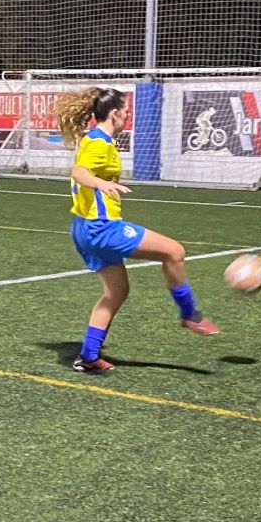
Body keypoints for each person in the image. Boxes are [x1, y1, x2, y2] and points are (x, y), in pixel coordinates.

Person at [59, 86, 217, 374]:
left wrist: (100, 182)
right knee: (174, 252)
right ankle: (190, 315)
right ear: (115, 114)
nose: (127, 117)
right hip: (101, 228)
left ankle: (88, 356)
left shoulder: (92, 138)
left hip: (82, 229)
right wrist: (100, 183)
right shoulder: (99, 143)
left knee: (117, 292)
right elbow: (80, 172)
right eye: (126, 112)